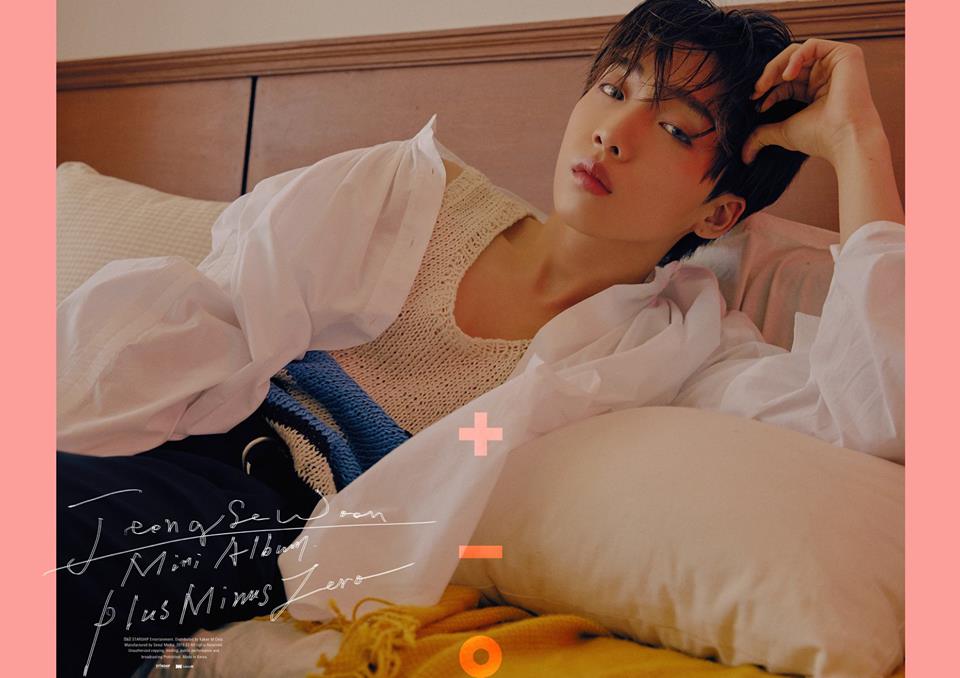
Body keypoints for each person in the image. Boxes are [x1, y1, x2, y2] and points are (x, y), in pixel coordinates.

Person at [55, 0, 904, 675]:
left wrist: (856, 140)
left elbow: (878, 416)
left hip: (275, 531)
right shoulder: (404, 195)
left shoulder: (671, 353)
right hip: (174, 437)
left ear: (718, 213)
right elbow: (205, 318)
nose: (614, 133)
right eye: (614, 90)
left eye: (676, 129)